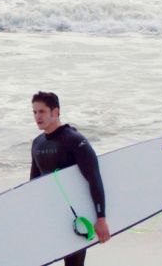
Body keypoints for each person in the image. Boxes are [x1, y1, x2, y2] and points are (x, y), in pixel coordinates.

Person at [31, 91, 110, 266]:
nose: (37, 116)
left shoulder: (74, 140)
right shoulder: (37, 143)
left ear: (56, 112)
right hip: (51, 212)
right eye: (35, 112)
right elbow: (34, 185)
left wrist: (101, 218)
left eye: (42, 111)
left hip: (77, 215)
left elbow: (94, 178)